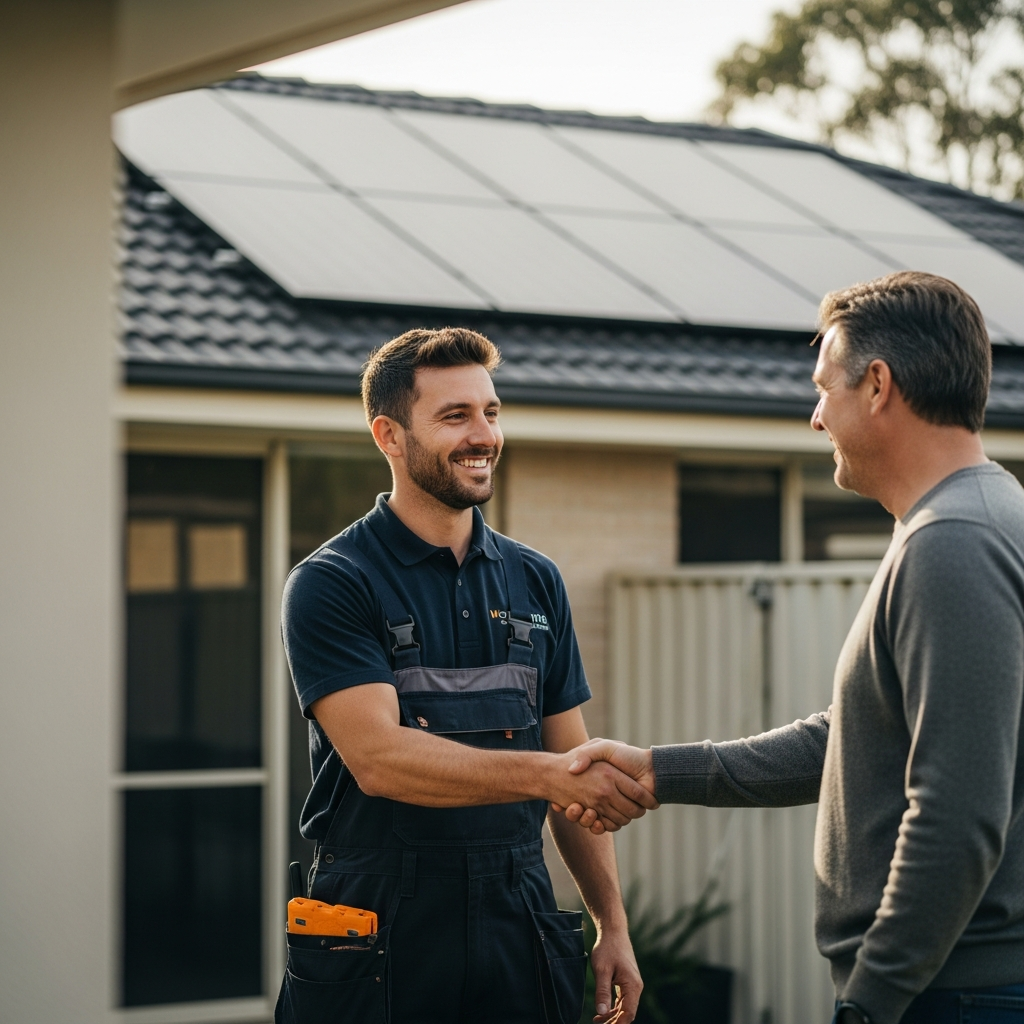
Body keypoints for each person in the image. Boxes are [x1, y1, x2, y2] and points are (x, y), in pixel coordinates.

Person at [557, 272, 1024, 1024]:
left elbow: (958, 814)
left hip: (953, 994)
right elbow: (853, 735)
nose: (815, 417)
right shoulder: (968, 521)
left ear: (878, 386)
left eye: (823, 388)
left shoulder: (955, 543)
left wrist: (870, 1003)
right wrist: (662, 770)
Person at [276, 328, 655, 1024]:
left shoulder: (535, 579)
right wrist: (545, 775)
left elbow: (572, 769)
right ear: (389, 435)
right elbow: (380, 761)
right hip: (379, 923)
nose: (484, 435)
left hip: (520, 909)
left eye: (492, 411)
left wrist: (613, 925)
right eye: (455, 417)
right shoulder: (333, 583)